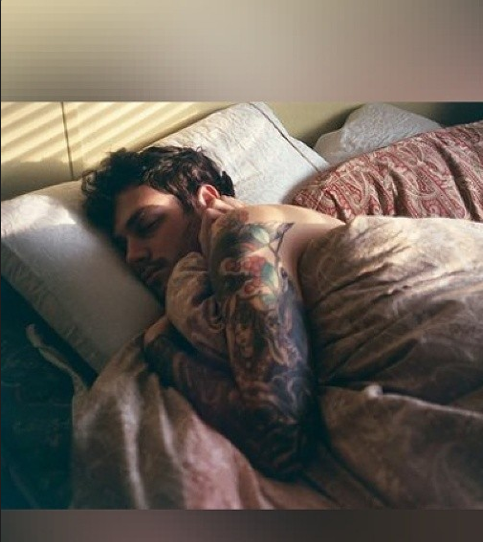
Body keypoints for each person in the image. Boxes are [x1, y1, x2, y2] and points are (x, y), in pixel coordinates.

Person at [81, 145, 343, 479]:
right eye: (122, 246)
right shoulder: (214, 289)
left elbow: (280, 439)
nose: (132, 256)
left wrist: (158, 341)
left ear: (206, 200)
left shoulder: (243, 227)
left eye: (147, 225)